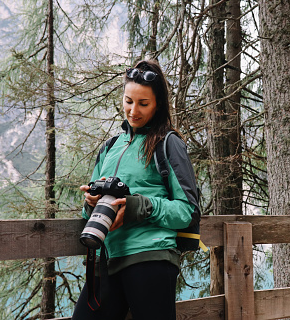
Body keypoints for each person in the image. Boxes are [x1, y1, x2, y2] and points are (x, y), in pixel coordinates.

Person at [72, 59, 200, 320]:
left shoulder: (168, 144)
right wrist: (90, 204)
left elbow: (187, 211)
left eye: (143, 104)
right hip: (106, 261)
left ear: (158, 104)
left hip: (150, 258)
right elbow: (90, 212)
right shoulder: (110, 147)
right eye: (129, 101)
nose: (133, 111)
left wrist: (136, 206)